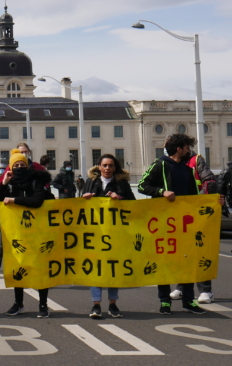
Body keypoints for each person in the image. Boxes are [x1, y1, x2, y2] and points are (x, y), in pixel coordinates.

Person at [138, 134, 223, 315]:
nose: (188, 151)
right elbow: (142, 185)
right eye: (186, 148)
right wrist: (162, 192)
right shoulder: (159, 165)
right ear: (179, 149)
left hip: (184, 225)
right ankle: (165, 301)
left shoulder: (186, 170)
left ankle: (188, 301)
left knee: (187, 261)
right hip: (163, 224)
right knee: (164, 262)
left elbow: (194, 199)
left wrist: (215, 202)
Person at [0, 149, 52, 317]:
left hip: (37, 232)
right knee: (17, 266)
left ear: (27, 166)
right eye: (16, 165)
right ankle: (18, 303)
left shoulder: (36, 181)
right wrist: (4, 184)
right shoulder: (9, 184)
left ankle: (43, 304)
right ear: (11, 167)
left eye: (22, 165)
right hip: (17, 233)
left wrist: (14, 200)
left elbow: (37, 201)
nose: (19, 167)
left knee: (39, 267)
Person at [82, 154, 135, 318]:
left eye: (110, 165)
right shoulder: (91, 182)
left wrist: (119, 198)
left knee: (113, 268)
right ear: (98, 167)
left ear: (115, 168)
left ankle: (113, 304)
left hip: (115, 233)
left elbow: (132, 204)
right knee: (96, 268)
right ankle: (96, 305)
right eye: (104, 165)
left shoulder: (121, 183)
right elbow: (79, 206)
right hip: (95, 232)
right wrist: (85, 198)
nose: (107, 168)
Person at [171, 150, 220, 304]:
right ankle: (181, 286)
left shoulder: (196, 160)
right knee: (181, 252)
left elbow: (209, 182)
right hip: (179, 214)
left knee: (200, 251)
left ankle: (206, 290)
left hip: (197, 212)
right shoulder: (169, 163)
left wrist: (203, 204)